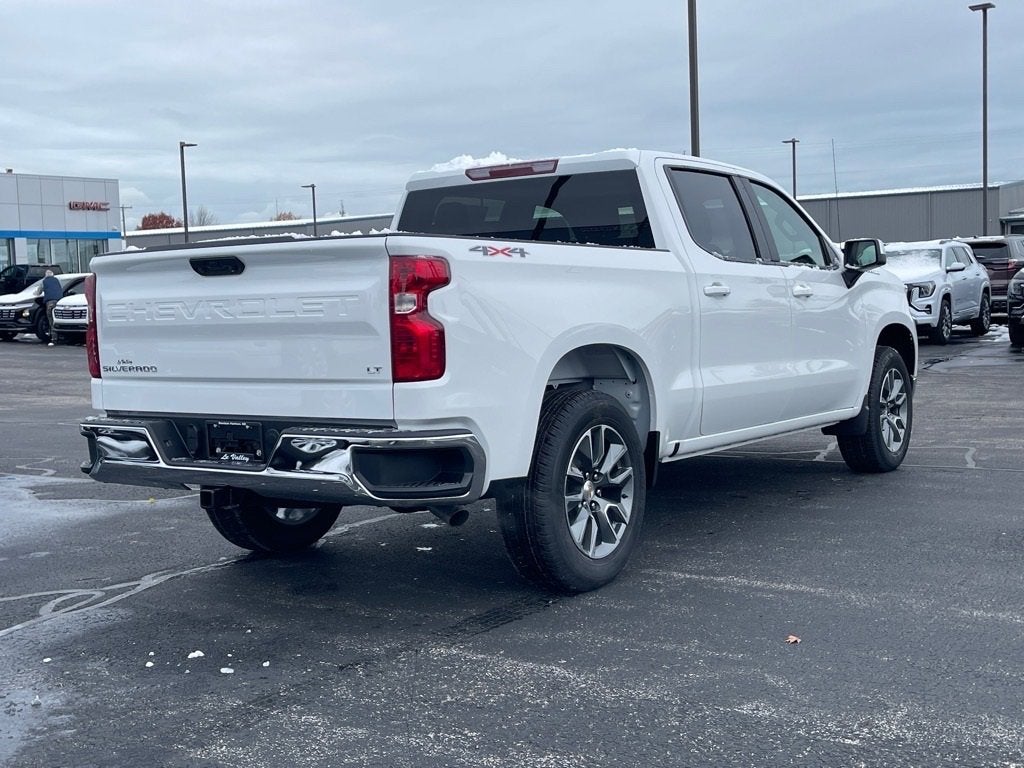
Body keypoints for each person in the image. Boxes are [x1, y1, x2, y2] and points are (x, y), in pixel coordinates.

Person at [41, 270, 62, 346]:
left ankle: (54, 339)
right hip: (60, 302)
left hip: (50, 302)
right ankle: (62, 336)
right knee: (57, 319)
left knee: (51, 320)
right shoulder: (56, 280)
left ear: (46, 275)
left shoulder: (45, 281)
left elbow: (38, 291)